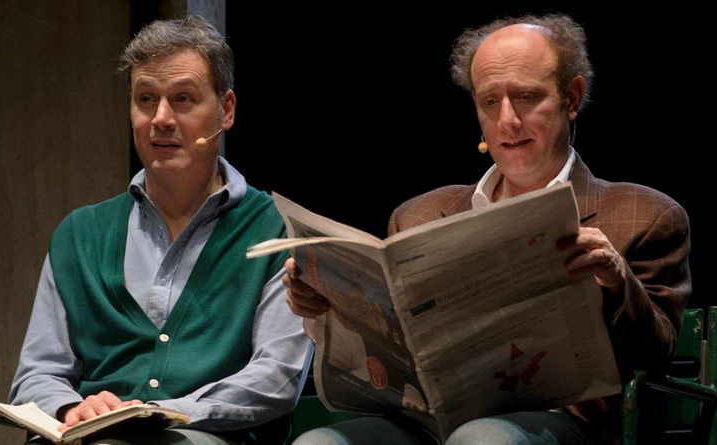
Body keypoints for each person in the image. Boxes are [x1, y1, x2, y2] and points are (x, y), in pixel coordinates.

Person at [283, 14, 689, 445]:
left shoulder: (644, 215)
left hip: (572, 424)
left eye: (527, 97)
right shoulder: (418, 216)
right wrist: (325, 309)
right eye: (490, 101)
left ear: (571, 98)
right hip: (427, 423)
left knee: (485, 438)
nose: (507, 120)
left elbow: (655, 359)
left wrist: (617, 281)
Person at [9, 16, 312, 445]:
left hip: (207, 436)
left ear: (226, 110)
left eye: (183, 99)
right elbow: (37, 374)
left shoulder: (278, 229)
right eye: (146, 99)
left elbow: (276, 377)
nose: (161, 118)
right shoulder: (80, 234)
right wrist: (71, 408)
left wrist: (160, 415)